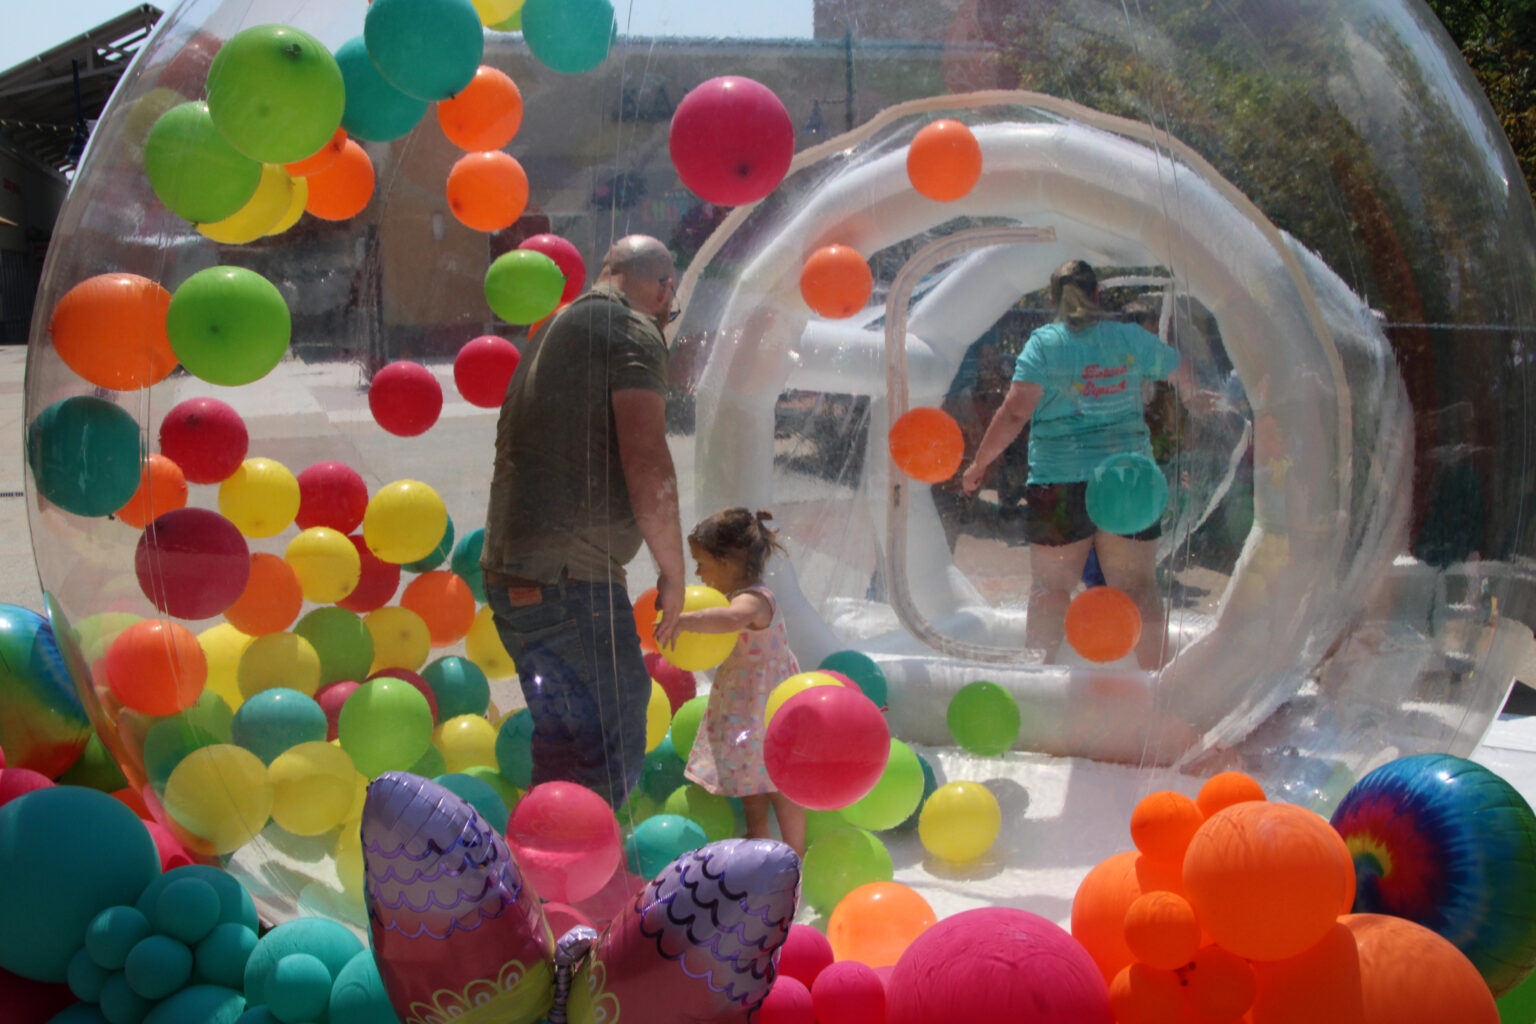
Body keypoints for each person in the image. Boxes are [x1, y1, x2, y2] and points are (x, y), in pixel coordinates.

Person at [481, 234, 686, 809]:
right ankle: (588, 865)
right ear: (663, 288)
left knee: (562, 748)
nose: (666, 317)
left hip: (516, 576)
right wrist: (674, 573)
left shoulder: (556, 325)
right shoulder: (631, 328)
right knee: (608, 749)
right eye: (669, 307)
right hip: (570, 582)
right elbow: (647, 462)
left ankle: (542, 861)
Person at [961, 259, 1187, 670]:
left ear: (1053, 300)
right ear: (1097, 295)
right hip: (1127, 481)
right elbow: (1180, 370)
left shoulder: (1045, 345)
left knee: (1051, 589)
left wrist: (979, 464)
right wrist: (1197, 401)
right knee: (1138, 587)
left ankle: (1038, 677)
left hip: (1060, 480)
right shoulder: (1128, 337)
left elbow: (1014, 413)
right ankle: (1158, 682)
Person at [677, 507, 807, 858]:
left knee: (781, 782)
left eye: (702, 564)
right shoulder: (738, 595)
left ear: (729, 561)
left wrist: (685, 620)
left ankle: (795, 851)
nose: (699, 574)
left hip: (765, 703)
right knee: (750, 777)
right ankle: (757, 835)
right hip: (746, 702)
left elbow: (731, 619)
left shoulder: (753, 599)